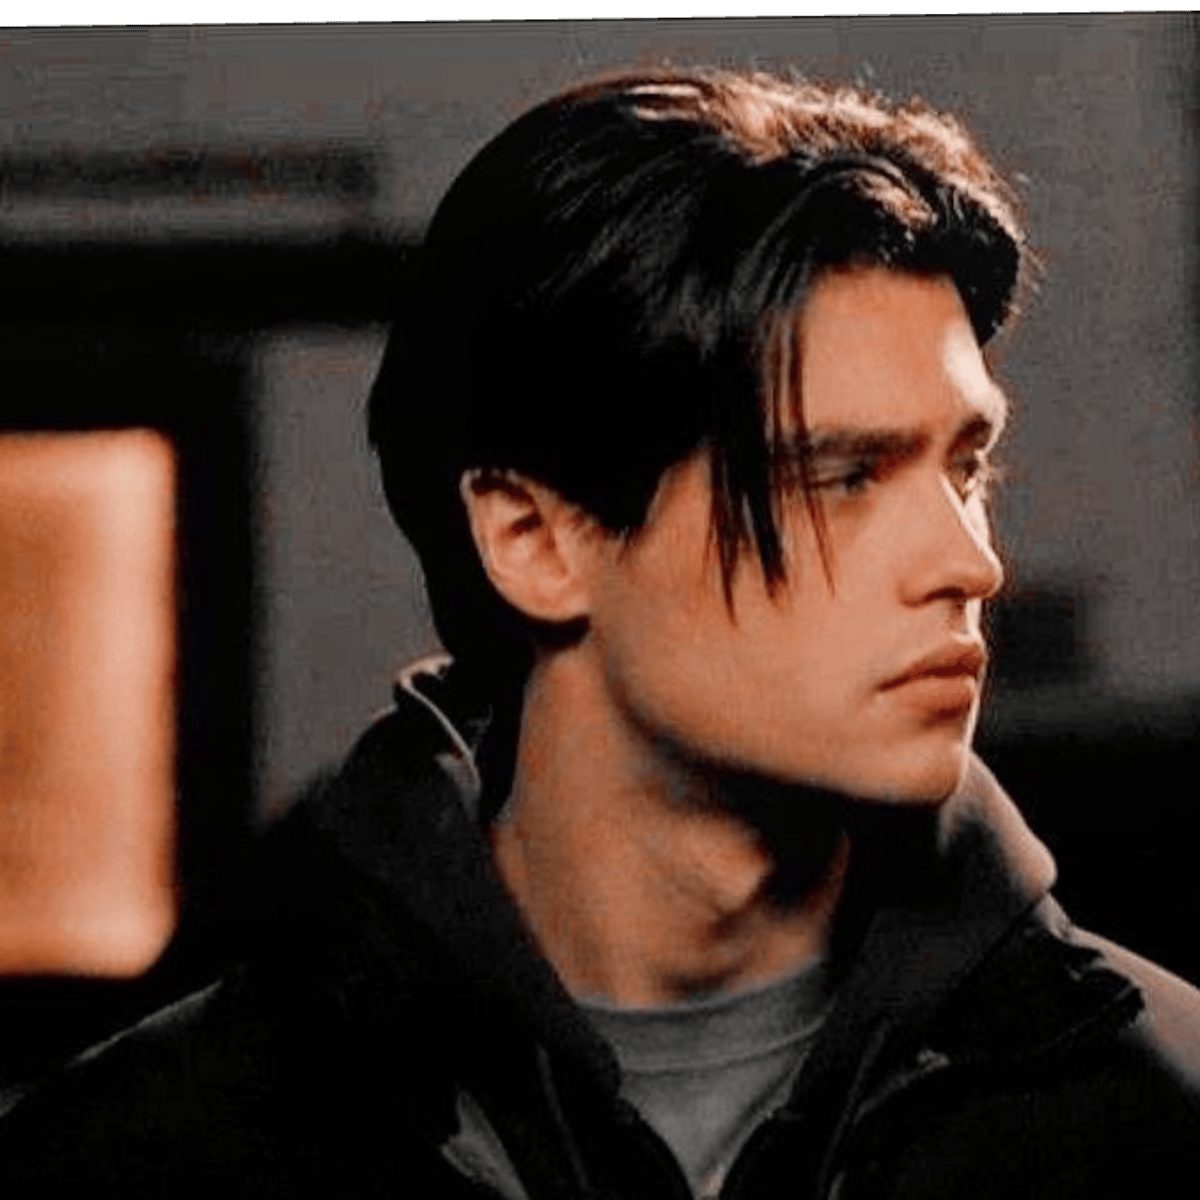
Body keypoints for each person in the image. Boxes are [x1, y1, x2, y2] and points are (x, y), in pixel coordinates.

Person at [1, 66, 1198, 1199]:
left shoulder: (1161, 1116)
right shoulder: (136, 1156)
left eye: (965, 467)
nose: (971, 563)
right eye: (839, 478)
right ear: (532, 537)